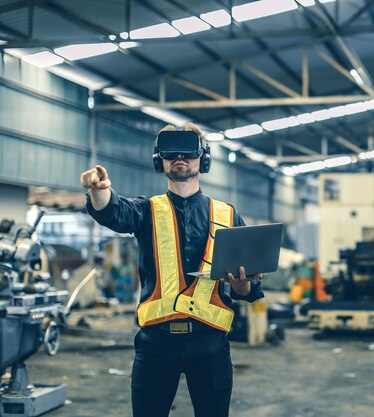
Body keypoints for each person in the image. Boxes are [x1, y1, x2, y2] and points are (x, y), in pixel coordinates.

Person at [81, 122, 264, 417]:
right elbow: (114, 211)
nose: (180, 157)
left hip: (210, 343)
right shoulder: (146, 210)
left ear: (203, 159)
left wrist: (242, 285)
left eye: (188, 151)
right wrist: (98, 192)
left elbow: (250, 289)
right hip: (155, 345)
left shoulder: (228, 215)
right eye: (171, 151)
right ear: (160, 159)